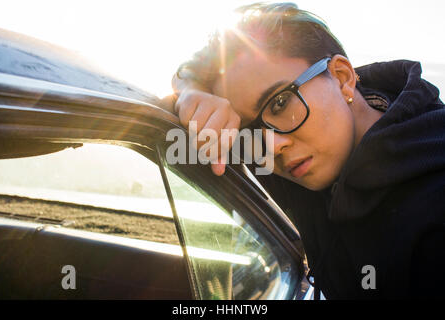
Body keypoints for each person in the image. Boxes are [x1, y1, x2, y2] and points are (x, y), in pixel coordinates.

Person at [170, 2, 445, 299]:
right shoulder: (302, 156)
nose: (270, 148)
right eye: (247, 129)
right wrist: (190, 91)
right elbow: (177, 101)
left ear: (342, 77)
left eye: (280, 103)